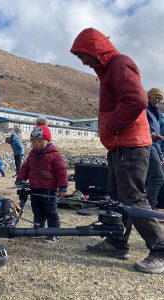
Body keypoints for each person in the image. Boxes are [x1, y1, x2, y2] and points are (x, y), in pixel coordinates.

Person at [70, 27, 164, 273]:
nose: (82, 61)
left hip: (131, 145)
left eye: (82, 55)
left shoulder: (120, 64)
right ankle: (116, 241)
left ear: (94, 50)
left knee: (132, 197)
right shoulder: (109, 69)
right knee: (115, 197)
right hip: (120, 145)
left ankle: (161, 250)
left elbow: (137, 100)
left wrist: (110, 127)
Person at [15, 117, 68, 243]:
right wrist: (20, 178)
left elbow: (62, 172)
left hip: (49, 190)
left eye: (39, 141)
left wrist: (63, 186)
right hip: (34, 189)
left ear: (47, 140)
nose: (36, 144)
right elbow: (25, 168)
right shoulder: (32, 155)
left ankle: (54, 233)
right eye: (34, 142)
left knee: (51, 212)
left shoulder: (55, 155)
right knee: (37, 211)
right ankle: (38, 230)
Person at [146, 88, 164, 209]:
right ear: (148, 97)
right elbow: (147, 132)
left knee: (150, 178)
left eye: (160, 98)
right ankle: (150, 207)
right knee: (158, 177)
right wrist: (157, 137)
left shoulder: (155, 114)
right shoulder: (145, 111)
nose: (158, 100)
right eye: (155, 97)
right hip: (148, 147)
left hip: (155, 149)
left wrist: (160, 155)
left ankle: (148, 205)